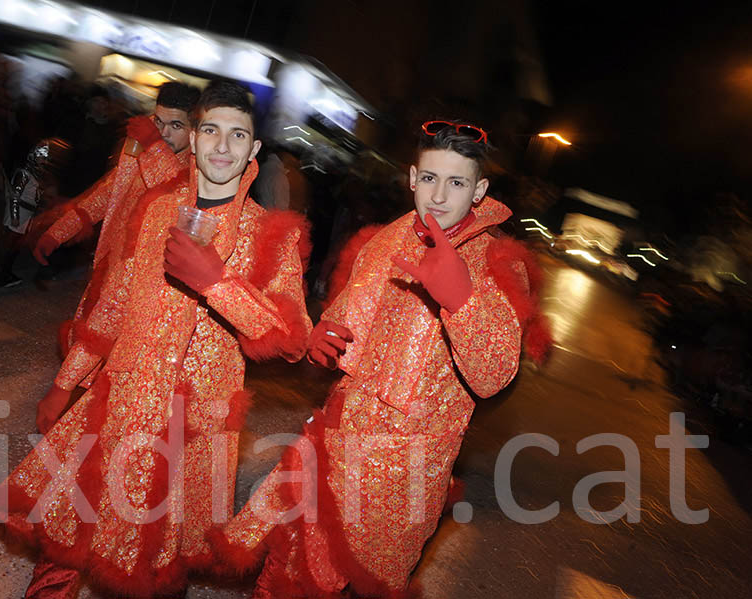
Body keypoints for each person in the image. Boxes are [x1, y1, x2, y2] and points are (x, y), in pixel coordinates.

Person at [0, 80, 313, 598]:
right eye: (212, 131)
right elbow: (115, 304)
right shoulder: (156, 210)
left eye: (238, 135)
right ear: (194, 140)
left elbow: (292, 337)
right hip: (124, 396)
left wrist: (217, 283)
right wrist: (65, 383)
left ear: (254, 150)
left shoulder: (273, 234)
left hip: (197, 421)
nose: (223, 146)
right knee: (70, 531)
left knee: (159, 560)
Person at [210, 120, 551, 597]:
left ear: (480, 190)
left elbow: (494, 376)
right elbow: (349, 316)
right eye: (430, 178)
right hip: (341, 432)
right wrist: (327, 337)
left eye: (457, 182)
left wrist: (462, 299)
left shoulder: (496, 262)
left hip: (409, 467)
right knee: (292, 562)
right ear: (412, 178)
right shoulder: (388, 239)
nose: (438, 195)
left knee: (362, 580)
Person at [30, 81, 202, 391]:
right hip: (112, 273)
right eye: (158, 122)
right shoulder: (141, 150)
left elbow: (178, 195)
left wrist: (152, 148)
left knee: (121, 376)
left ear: (194, 130)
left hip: (147, 292)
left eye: (175, 125)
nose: (164, 133)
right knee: (90, 353)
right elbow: (109, 193)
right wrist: (59, 232)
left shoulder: (201, 169)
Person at [0, 137, 70, 287]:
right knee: (8, 245)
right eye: (40, 157)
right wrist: (14, 216)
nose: (43, 161)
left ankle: (7, 272)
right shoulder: (24, 174)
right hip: (18, 214)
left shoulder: (37, 176)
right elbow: (15, 196)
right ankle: (0, 275)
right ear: (34, 156)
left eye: (45, 159)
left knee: (15, 247)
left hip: (27, 216)